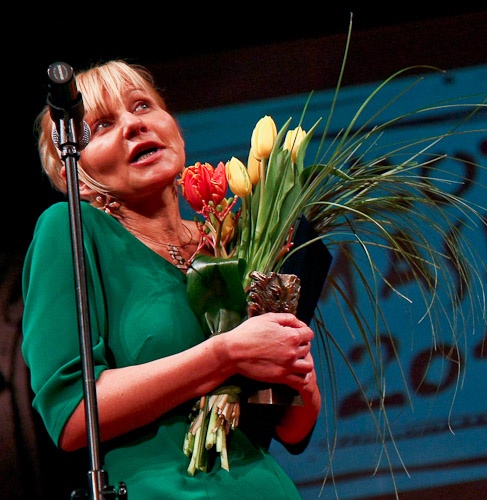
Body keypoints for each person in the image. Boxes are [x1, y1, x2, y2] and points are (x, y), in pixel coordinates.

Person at [22, 60, 321, 499]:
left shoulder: (229, 238)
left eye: (142, 106)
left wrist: (298, 373)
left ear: (175, 129)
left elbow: (290, 430)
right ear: (77, 178)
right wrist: (224, 354)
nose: (133, 125)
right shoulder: (70, 230)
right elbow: (72, 416)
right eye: (102, 125)